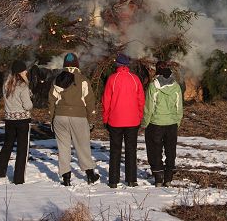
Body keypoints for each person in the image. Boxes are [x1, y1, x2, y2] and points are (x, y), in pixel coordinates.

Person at [49, 52, 100, 186]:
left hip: (60, 117)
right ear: (77, 64)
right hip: (79, 117)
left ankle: (66, 177)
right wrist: (90, 119)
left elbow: (51, 101)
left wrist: (52, 118)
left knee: (63, 148)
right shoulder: (83, 80)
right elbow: (89, 101)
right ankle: (90, 175)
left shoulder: (57, 79)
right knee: (82, 146)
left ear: (64, 64)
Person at [102, 53, 145, 188]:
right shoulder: (135, 79)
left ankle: (113, 181)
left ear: (118, 65)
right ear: (127, 65)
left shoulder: (112, 79)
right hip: (133, 121)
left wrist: (105, 118)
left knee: (115, 150)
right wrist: (139, 116)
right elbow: (141, 100)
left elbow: (106, 101)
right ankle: (132, 179)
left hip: (115, 120)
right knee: (131, 150)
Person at [0, 59, 33, 184]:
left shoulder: (6, 84)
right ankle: (18, 179)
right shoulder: (23, 86)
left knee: (7, 147)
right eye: (24, 70)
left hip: (9, 120)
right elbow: (28, 105)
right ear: (20, 72)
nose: (26, 71)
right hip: (23, 121)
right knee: (22, 150)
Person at [142, 60, 183, 187]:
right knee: (171, 151)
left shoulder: (153, 85)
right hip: (171, 124)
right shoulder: (176, 86)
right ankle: (168, 177)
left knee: (155, 150)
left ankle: (158, 177)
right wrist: (177, 121)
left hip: (156, 123)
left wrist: (145, 123)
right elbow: (179, 107)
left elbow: (149, 107)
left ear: (157, 70)